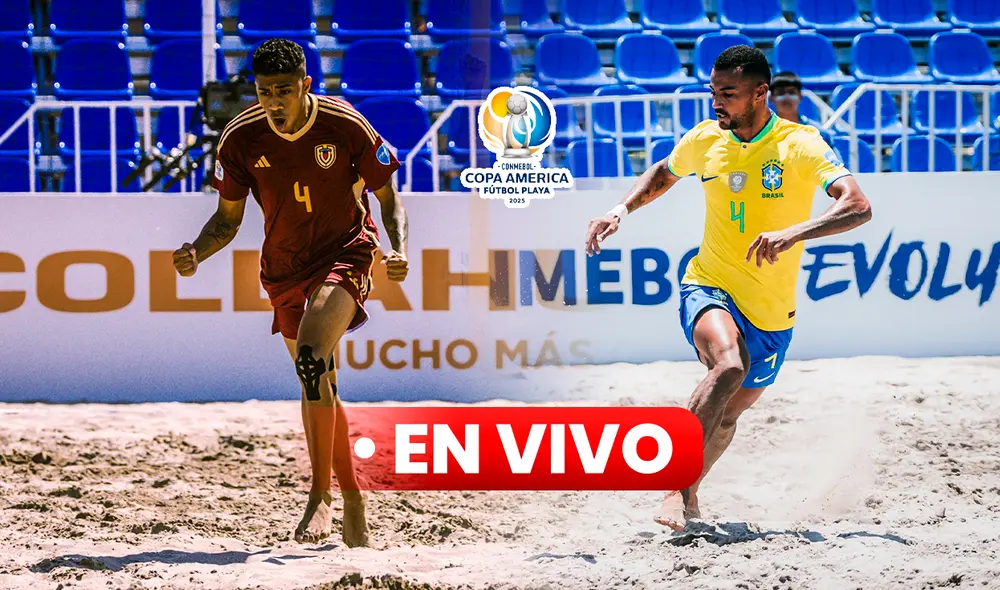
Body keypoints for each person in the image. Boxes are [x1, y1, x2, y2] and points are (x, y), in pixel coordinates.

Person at [584, 46, 872, 530]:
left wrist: (793, 232)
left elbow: (859, 206)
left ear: (761, 93)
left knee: (729, 416)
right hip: (710, 281)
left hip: (773, 311)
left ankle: (690, 497)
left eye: (728, 93)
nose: (716, 101)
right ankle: (673, 488)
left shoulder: (801, 143)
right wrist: (620, 210)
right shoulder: (704, 139)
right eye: (713, 90)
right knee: (728, 365)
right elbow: (664, 171)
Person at [171, 39, 410, 546]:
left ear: (305, 86)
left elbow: (389, 199)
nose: (273, 102)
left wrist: (397, 247)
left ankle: (319, 496)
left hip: (346, 252)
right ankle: (355, 502)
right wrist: (197, 249)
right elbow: (227, 220)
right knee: (319, 381)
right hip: (282, 270)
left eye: (283, 91)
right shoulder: (239, 138)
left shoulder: (345, 125)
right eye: (263, 92)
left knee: (309, 358)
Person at [770, 71, 835, 145]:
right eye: (780, 93)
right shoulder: (760, 134)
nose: (787, 97)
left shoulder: (819, 134)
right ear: (771, 98)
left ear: (800, 96)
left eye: (792, 92)